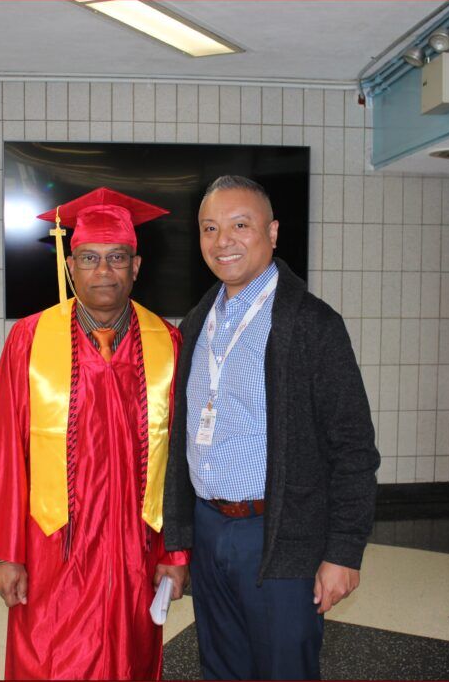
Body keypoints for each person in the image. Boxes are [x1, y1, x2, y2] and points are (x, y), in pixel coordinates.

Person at [0, 187, 189, 681]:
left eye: (117, 257)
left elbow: (182, 462)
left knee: (129, 658)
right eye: (89, 258)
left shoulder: (168, 344)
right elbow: (3, 451)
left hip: (135, 551)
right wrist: (4, 553)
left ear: (136, 266)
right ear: (70, 266)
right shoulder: (29, 340)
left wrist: (175, 553)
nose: (103, 270)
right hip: (50, 551)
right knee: (48, 660)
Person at [163, 175, 380, 680]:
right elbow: (179, 440)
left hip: (281, 535)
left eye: (240, 225)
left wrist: (344, 551)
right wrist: (180, 537)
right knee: (221, 669)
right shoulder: (196, 324)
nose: (223, 241)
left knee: (284, 669)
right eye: (210, 228)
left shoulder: (312, 325)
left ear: (273, 232)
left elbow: (353, 448)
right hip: (210, 528)